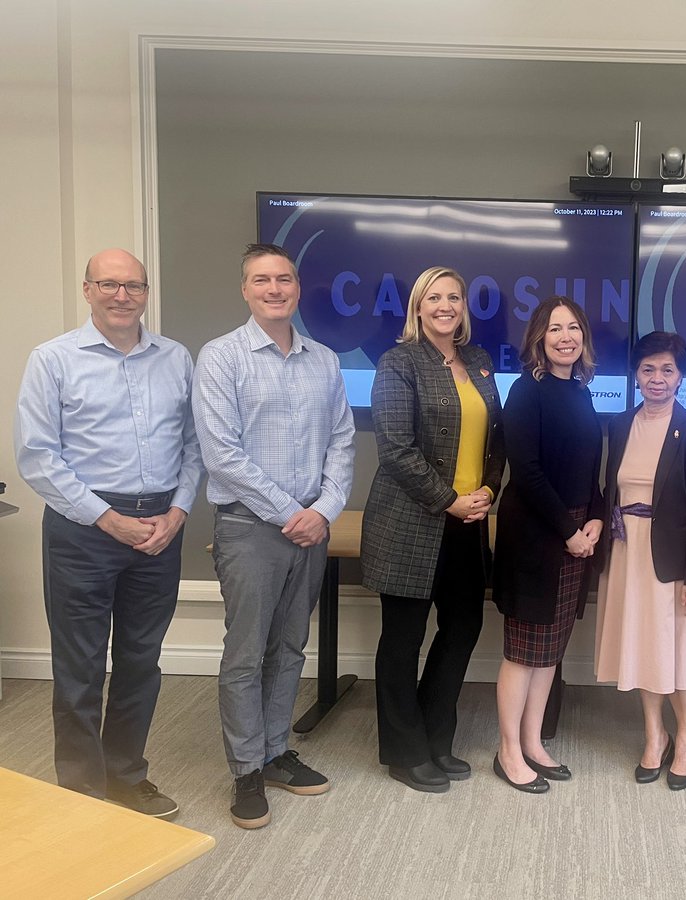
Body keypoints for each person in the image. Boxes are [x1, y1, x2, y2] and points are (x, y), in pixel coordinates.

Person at [14, 248, 202, 818]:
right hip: (84, 530)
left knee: (141, 662)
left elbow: (195, 446)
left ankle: (126, 776)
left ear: (146, 292)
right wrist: (105, 517)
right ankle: (81, 793)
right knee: (81, 668)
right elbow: (38, 456)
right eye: (110, 284)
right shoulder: (53, 359)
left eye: (134, 286)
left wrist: (179, 512)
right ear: (88, 289)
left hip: (159, 529)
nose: (123, 295)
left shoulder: (175, 358)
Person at [192, 243, 355, 829]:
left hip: (309, 529)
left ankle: (276, 751)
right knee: (246, 652)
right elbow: (222, 455)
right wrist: (295, 511)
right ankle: (245, 771)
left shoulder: (325, 360)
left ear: (297, 287)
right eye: (261, 280)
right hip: (249, 527)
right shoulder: (221, 358)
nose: (274, 288)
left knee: (289, 647)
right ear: (245, 290)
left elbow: (342, 440)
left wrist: (326, 507)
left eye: (284, 278)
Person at [360, 266, 505, 794]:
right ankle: (404, 750)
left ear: (464, 307)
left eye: (454, 297)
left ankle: (434, 736)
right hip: (412, 522)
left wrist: (487, 491)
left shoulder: (481, 363)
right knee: (402, 640)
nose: (445, 305)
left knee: (463, 629)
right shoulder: (398, 363)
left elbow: (495, 438)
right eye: (434, 297)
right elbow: (395, 448)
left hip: (468, 523)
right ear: (418, 308)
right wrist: (449, 500)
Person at [595, 331, 686, 791]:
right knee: (644, 646)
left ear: (681, 375)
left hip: (675, 560)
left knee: (680, 649)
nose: (657, 378)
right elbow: (610, 491)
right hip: (627, 553)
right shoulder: (619, 425)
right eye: (648, 369)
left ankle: (685, 738)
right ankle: (655, 734)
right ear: (636, 374)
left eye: (667, 369)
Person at [491, 296, 604, 793]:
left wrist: (597, 517)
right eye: (555, 328)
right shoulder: (525, 392)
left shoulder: (580, 391)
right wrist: (569, 531)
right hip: (538, 535)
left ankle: (534, 743)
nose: (565, 336)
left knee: (550, 650)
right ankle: (508, 751)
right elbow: (529, 474)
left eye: (573, 327)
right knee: (523, 649)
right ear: (539, 338)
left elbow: (587, 467)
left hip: (576, 531)